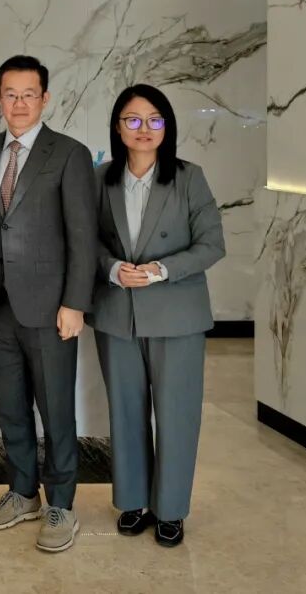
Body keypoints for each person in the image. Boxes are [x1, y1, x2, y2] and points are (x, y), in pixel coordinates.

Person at [89, 84, 224, 548]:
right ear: (117, 127)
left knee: (176, 414)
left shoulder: (189, 177)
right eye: (132, 119)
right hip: (117, 315)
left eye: (154, 120)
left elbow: (212, 244)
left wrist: (162, 270)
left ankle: (170, 509)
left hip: (177, 315)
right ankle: (132, 501)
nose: (143, 129)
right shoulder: (101, 178)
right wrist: (111, 268)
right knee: (125, 412)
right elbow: (87, 241)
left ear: (167, 126)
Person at [0, 55, 97, 553]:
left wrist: (75, 303)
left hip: (51, 308)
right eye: (10, 94)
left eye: (29, 94)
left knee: (56, 408)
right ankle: (23, 492)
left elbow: (83, 236)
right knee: (10, 407)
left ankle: (61, 502)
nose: (19, 103)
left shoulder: (68, 153)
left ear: (45, 99)